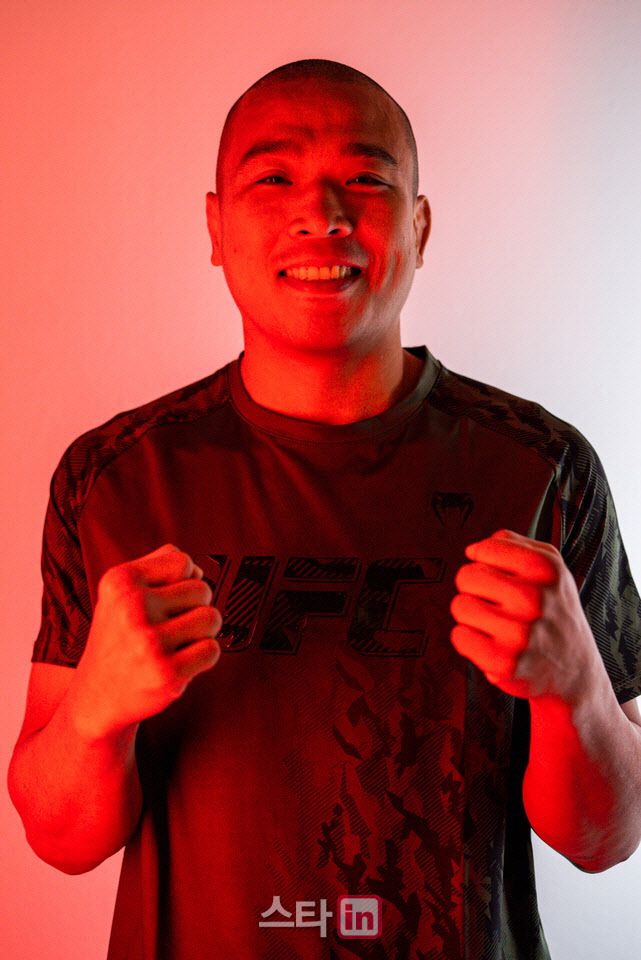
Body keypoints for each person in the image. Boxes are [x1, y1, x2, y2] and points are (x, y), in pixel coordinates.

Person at [7, 57, 641, 960]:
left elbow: (603, 840)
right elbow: (61, 841)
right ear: (216, 226)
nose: (323, 214)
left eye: (366, 181)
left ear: (418, 226)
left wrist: (577, 690)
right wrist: (95, 713)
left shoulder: (543, 468)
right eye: (273, 178)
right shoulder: (112, 477)